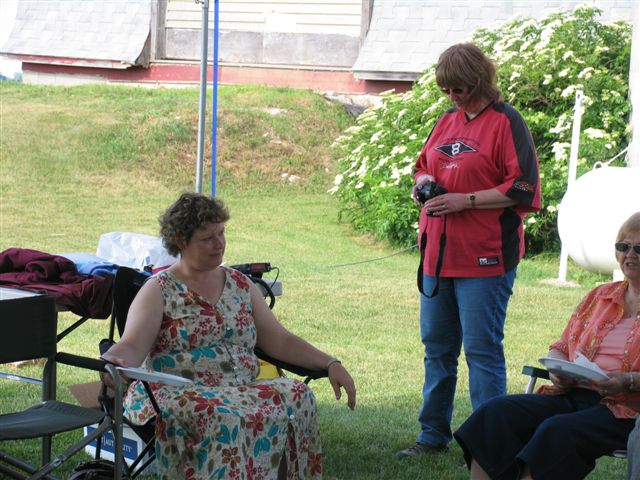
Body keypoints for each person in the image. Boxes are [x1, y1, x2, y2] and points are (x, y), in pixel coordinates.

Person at [101, 192, 356, 480]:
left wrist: (331, 363)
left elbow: (280, 340)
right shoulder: (159, 289)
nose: (219, 243)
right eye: (208, 238)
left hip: (239, 387)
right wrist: (113, 362)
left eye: (221, 233)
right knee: (223, 417)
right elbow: (132, 344)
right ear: (181, 241)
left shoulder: (240, 284)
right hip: (178, 390)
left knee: (298, 395)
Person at [394, 43, 541, 458]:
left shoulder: (506, 121)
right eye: (446, 90)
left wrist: (466, 200)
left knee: (482, 352)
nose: (452, 96)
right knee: (437, 351)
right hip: (438, 258)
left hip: (485, 258)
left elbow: (523, 186)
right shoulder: (446, 120)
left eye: (458, 89)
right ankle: (432, 436)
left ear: (479, 81)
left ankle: (489, 445)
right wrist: (423, 184)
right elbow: (422, 165)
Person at [454, 211, 640, 480]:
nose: (630, 255)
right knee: (495, 414)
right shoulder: (600, 295)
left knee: (557, 431)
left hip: (626, 409)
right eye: (623, 246)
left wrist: (627, 381)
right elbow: (561, 346)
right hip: (574, 394)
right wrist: (558, 369)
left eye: (639, 248)